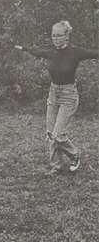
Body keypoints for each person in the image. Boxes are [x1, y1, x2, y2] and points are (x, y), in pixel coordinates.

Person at [15, 20, 98, 174]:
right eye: (53, 35)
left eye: (59, 35)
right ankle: (56, 166)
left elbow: (95, 53)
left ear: (67, 35)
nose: (56, 38)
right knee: (50, 132)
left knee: (58, 135)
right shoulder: (51, 51)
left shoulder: (76, 52)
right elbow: (36, 51)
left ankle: (75, 155)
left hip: (69, 96)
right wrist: (22, 47)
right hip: (53, 93)